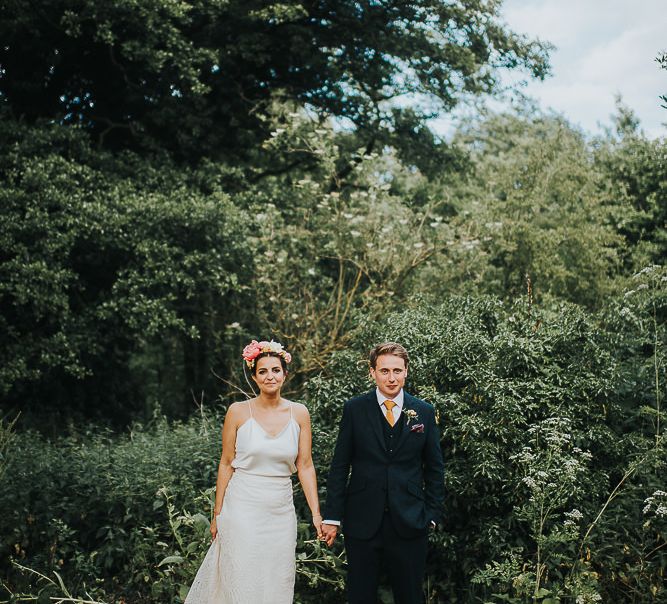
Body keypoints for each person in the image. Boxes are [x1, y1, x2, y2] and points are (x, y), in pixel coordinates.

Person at [184, 340, 322, 604]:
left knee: (276, 576)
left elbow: (305, 465)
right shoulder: (237, 412)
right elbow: (226, 463)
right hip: (242, 506)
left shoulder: (299, 413)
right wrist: (218, 514)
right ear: (254, 376)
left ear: (285, 374)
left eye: (275, 370)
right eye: (263, 371)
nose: (270, 376)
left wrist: (316, 513)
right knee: (242, 576)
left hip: (280, 509)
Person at [321, 342, 445, 604]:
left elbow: (434, 468)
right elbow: (340, 465)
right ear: (372, 372)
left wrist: (431, 515)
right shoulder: (354, 409)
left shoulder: (423, 411)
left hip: (410, 520)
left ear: (406, 371)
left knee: (410, 596)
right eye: (385, 371)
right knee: (360, 595)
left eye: (397, 371)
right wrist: (332, 516)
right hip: (362, 519)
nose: (392, 378)